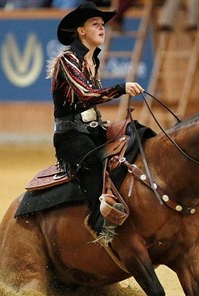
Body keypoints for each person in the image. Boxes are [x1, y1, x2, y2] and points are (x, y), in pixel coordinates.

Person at [47, 1, 144, 242]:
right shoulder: (67, 61)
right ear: (81, 31)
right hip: (70, 135)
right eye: (95, 24)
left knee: (136, 136)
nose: (102, 28)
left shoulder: (93, 60)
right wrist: (122, 88)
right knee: (91, 163)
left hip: (92, 129)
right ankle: (100, 224)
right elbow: (85, 95)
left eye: (102, 24)